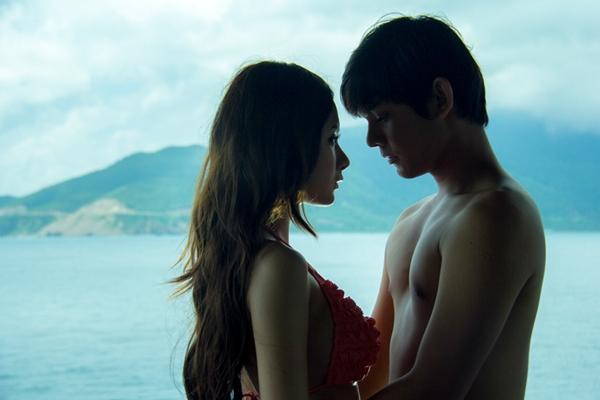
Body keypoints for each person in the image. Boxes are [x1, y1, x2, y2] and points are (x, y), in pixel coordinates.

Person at [340, 15, 546, 399]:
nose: (371, 139)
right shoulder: (410, 221)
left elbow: (434, 390)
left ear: (440, 98)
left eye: (382, 117)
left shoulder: (498, 215)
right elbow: (373, 371)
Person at [172, 61, 379, 400]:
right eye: (331, 139)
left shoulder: (251, 255)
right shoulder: (278, 265)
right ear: (286, 148)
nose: (343, 159)